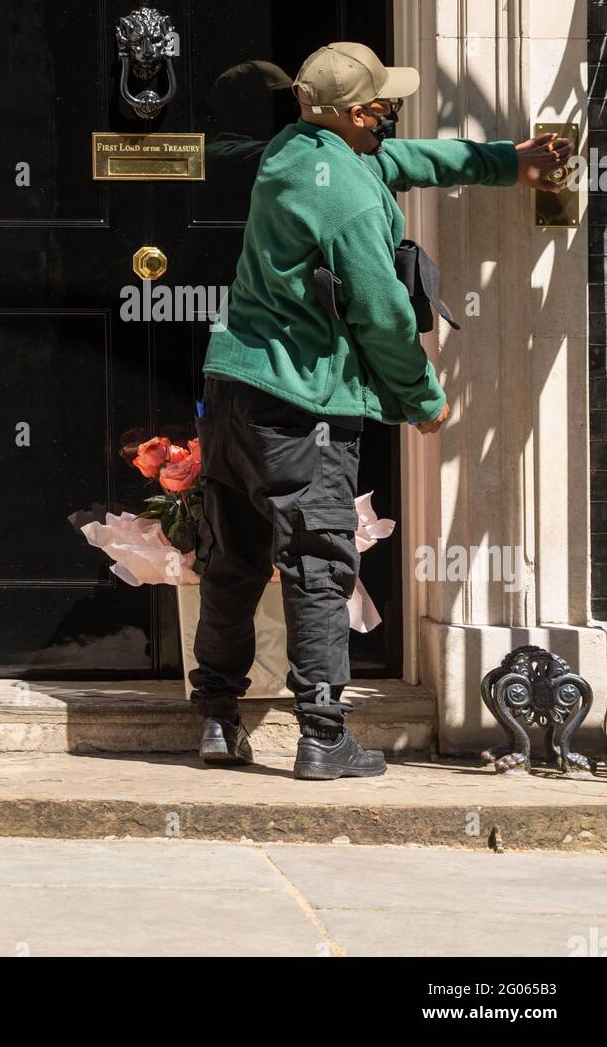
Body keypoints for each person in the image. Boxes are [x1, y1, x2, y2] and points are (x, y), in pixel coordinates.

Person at [191, 41, 572, 780]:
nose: (394, 114)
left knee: (233, 562)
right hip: (302, 408)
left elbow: (409, 161)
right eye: (386, 104)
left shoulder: (295, 149)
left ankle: (215, 716)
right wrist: (421, 399)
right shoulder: (355, 203)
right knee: (319, 566)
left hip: (234, 393)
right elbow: (385, 317)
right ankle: (324, 735)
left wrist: (507, 161)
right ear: (361, 113)